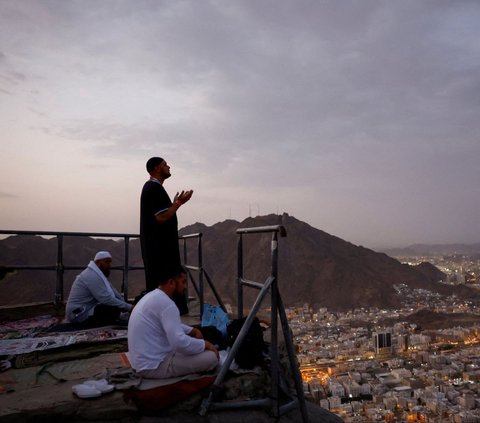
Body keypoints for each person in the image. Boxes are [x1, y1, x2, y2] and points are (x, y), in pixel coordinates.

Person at [128, 268, 219, 379]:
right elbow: (179, 343)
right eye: (183, 282)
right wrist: (205, 344)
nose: (185, 287)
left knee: (194, 348)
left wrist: (191, 330)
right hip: (154, 366)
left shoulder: (154, 296)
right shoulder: (168, 305)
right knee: (211, 357)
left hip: (142, 363)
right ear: (171, 282)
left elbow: (168, 324)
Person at [140, 156, 193, 314]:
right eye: (165, 164)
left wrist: (173, 204)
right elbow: (161, 216)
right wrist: (178, 204)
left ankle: (165, 312)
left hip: (159, 247)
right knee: (167, 279)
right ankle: (168, 313)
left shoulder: (153, 188)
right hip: (160, 249)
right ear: (156, 168)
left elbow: (162, 213)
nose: (168, 166)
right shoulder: (153, 188)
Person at [66, 251, 133, 326]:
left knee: (114, 307)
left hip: (88, 309)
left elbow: (114, 291)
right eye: (106, 262)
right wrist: (129, 308)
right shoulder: (91, 275)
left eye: (110, 262)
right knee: (110, 309)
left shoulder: (98, 274)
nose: (109, 265)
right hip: (78, 314)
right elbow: (106, 299)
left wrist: (127, 306)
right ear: (98, 262)